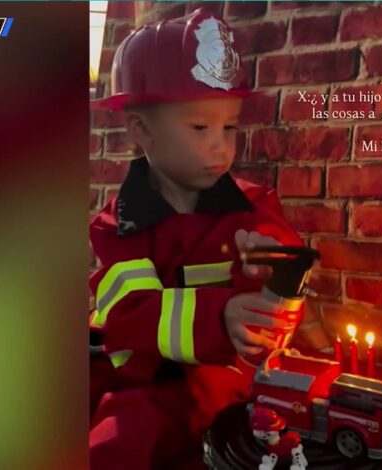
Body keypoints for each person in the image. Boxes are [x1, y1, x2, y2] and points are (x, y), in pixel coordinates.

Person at [88, 9, 303, 469]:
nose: (220, 146)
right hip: (147, 388)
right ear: (141, 129)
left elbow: (278, 286)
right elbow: (129, 315)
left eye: (230, 127)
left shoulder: (255, 206)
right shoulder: (118, 227)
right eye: (200, 128)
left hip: (233, 386)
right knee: (116, 450)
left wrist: (271, 274)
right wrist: (220, 316)